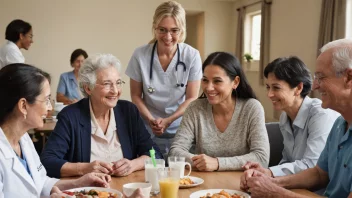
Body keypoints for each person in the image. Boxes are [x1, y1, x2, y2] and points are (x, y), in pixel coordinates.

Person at [240, 39, 352, 198]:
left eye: (321, 77)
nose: (314, 86)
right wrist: (270, 180)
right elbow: (319, 173)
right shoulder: (340, 124)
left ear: (349, 77)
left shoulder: (324, 116)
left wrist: (275, 191)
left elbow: (310, 165)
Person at [41, 54, 163, 179]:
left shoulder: (128, 111)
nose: (115, 91)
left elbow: (155, 153)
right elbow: (47, 162)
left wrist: (133, 164)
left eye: (118, 83)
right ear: (88, 88)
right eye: (107, 84)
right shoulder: (70, 116)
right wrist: (84, 168)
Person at [0, 63, 111, 197]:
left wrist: (79, 183)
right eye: (46, 100)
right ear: (23, 106)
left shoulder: (23, 139)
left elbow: (41, 183)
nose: (49, 108)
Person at [169, 52, 270, 171]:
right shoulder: (195, 108)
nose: (209, 87)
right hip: (204, 184)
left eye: (217, 81)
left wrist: (217, 163)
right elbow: (175, 152)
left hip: (241, 184)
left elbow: (261, 158)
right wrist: (201, 162)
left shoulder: (252, 108)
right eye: (205, 80)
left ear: (235, 82)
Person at [125, 1, 202, 157]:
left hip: (182, 128)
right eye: (162, 30)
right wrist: (152, 120)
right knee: (151, 168)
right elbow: (135, 96)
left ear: (182, 30)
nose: (168, 37)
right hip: (148, 127)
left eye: (174, 30)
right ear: (155, 27)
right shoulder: (140, 55)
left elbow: (192, 98)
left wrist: (169, 120)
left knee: (180, 173)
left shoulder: (192, 55)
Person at [242, 56, 339, 177]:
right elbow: (288, 160)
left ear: (298, 88)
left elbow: (312, 164)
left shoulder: (321, 114)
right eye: (268, 87)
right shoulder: (285, 117)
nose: (269, 94)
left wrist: (270, 173)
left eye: (276, 87)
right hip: (296, 186)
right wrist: (264, 172)